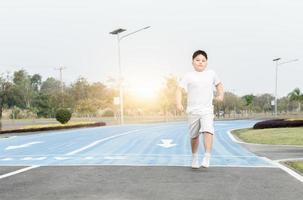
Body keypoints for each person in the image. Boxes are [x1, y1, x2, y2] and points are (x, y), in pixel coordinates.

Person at [176, 50, 224, 169]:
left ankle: (207, 157)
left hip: (207, 110)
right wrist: (178, 103)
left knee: (208, 130)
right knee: (194, 136)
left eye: (203, 60)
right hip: (193, 110)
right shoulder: (188, 76)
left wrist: (220, 95)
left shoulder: (211, 73)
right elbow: (178, 89)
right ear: (193, 62)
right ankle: (194, 158)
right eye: (197, 60)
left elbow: (219, 85)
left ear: (206, 62)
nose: (200, 62)